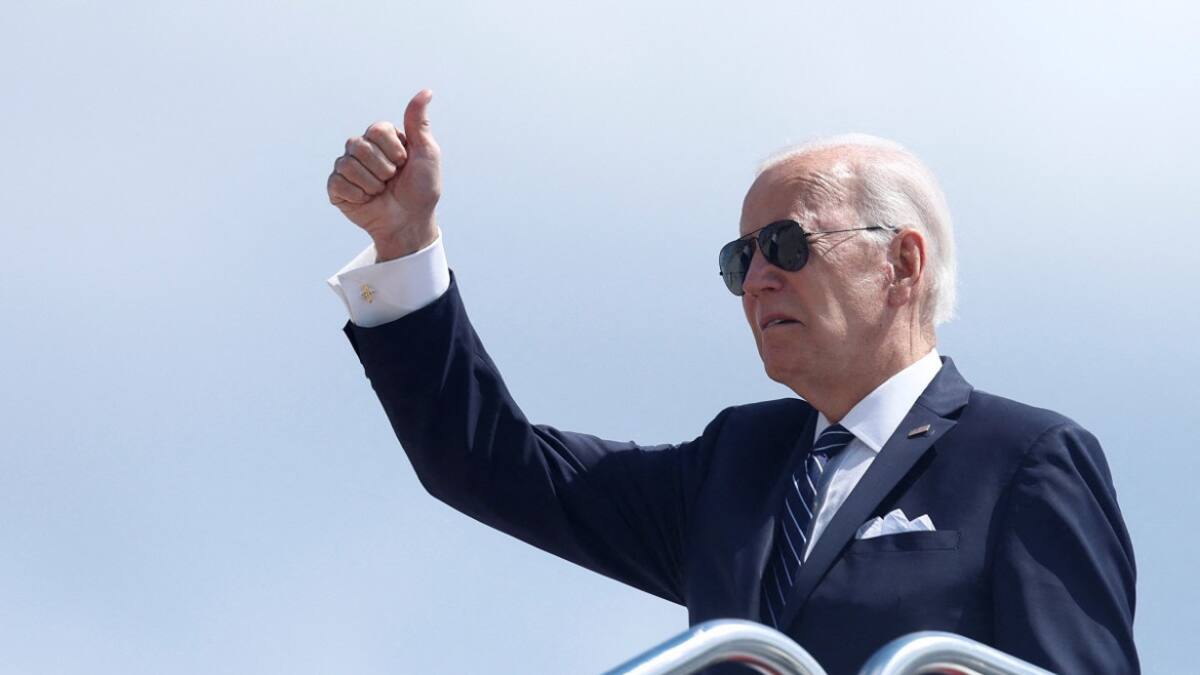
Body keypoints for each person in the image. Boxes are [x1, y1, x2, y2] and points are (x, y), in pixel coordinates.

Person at [325, 90, 1138, 674]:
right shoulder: (734, 466)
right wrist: (405, 245)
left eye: (784, 245)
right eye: (738, 258)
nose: (755, 281)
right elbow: (490, 465)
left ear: (902, 262)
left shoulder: (1025, 458)